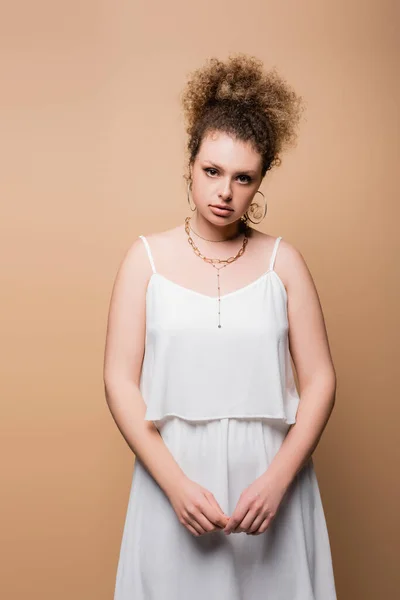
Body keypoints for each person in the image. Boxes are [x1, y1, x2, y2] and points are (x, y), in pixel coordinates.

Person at [104, 53, 337, 599]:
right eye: (212, 171)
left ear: (259, 183)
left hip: (271, 487)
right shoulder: (145, 259)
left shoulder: (285, 263)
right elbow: (119, 380)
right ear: (191, 162)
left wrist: (278, 481)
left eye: (243, 177)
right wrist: (175, 485)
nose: (224, 191)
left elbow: (322, 381)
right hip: (175, 487)